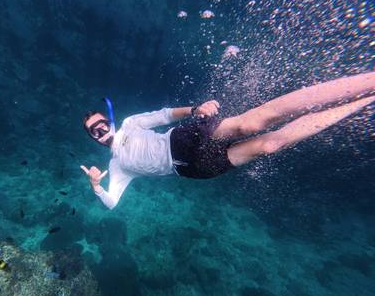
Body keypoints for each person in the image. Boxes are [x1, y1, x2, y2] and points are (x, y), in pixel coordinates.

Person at [81, 72, 375, 210]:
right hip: (192, 170)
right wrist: (96, 187)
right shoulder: (117, 166)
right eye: (93, 132)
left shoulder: (131, 123)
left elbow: (165, 115)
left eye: (101, 125)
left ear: (109, 121)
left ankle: (367, 81)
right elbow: (112, 203)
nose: (100, 132)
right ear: (93, 140)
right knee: (268, 145)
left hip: (180, 140)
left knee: (254, 122)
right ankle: (360, 103)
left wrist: (195, 110)